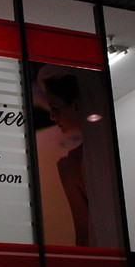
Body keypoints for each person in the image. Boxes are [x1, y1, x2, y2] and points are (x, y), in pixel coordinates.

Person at [38, 68, 90, 247]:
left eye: (55, 108)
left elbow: (83, 237)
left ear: (75, 104)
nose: (52, 116)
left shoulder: (71, 165)